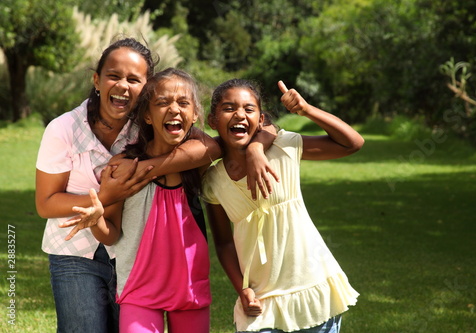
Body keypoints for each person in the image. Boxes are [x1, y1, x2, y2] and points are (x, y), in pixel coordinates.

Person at [35, 39, 220, 332]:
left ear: (146, 90)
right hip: (76, 252)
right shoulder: (63, 129)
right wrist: (107, 195)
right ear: (96, 80)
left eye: (134, 79)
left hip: (133, 257)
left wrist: (145, 169)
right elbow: (46, 203)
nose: (123, 85)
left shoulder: (150, 120)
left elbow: (208, 147)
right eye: (114, 76)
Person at [203, 79, 364, 333]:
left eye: (248, 108)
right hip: (261, 301)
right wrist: (242, 289)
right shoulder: (212, 181)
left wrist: (307, 110)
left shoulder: (283, 148)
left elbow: (352, 143)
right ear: (212, 121)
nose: (239, 115)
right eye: (228, 108)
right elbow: (223, 243)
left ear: (261, 119)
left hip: (312, 292)